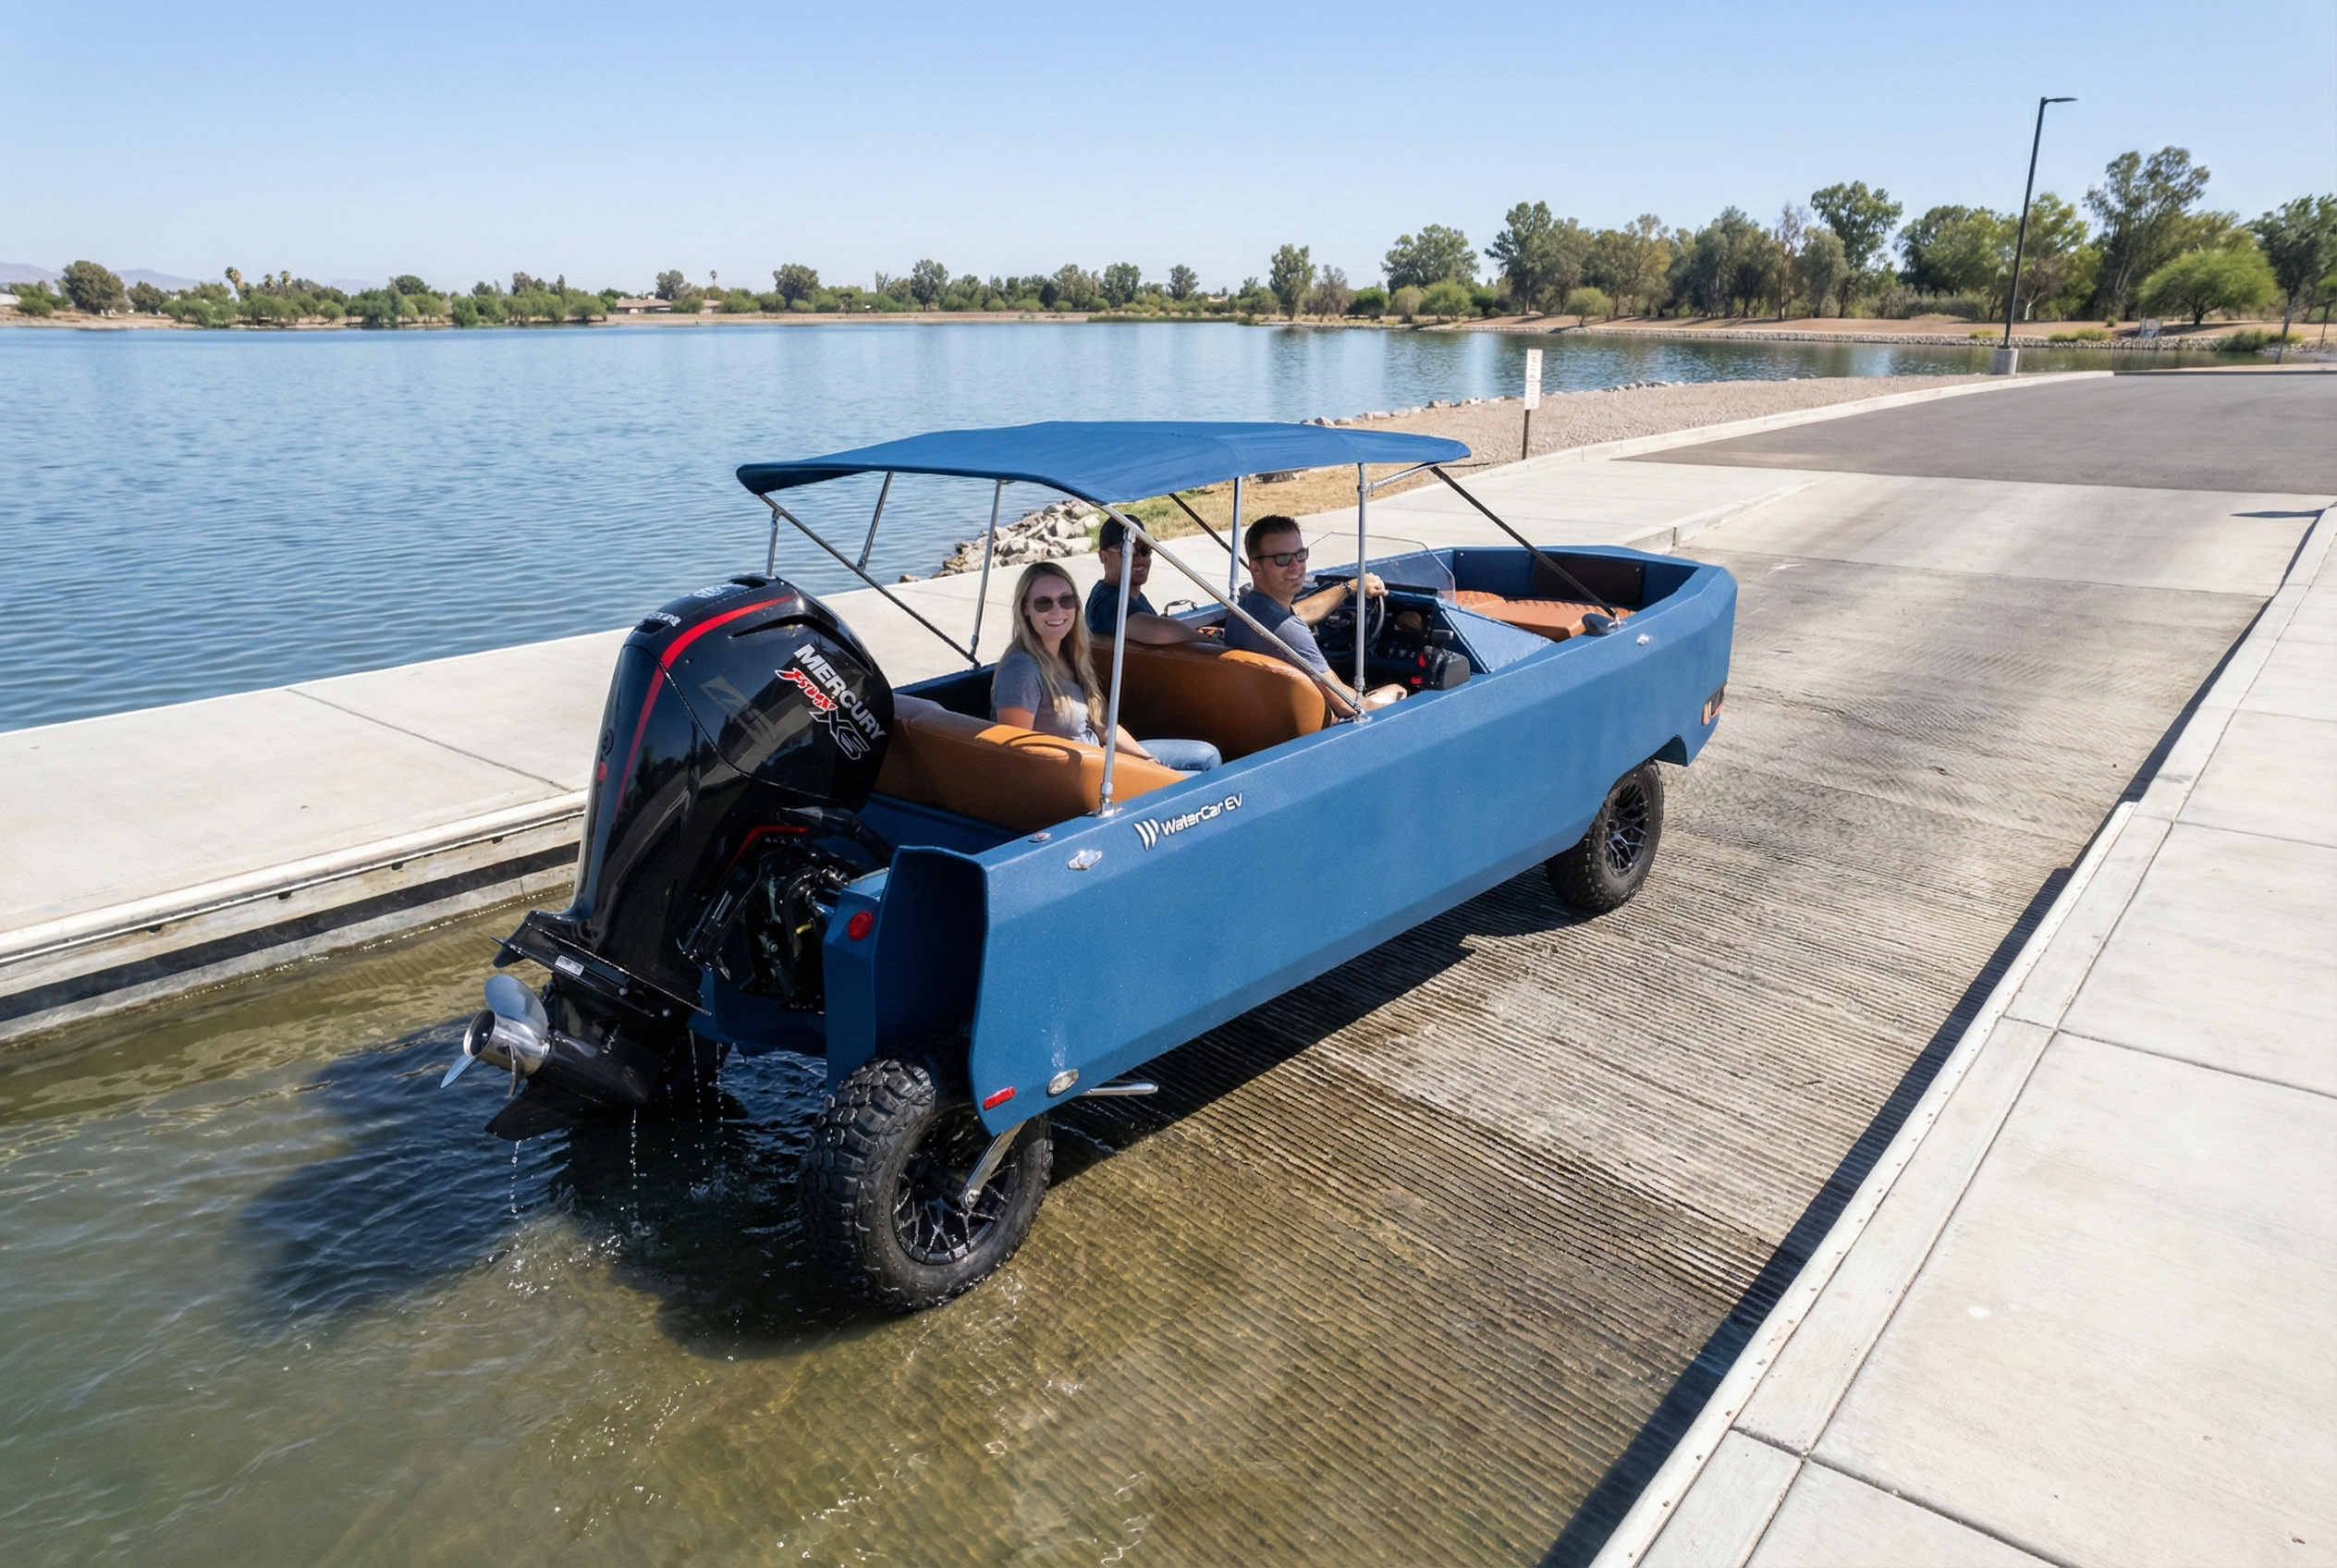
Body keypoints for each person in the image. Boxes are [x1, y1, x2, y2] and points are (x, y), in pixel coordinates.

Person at [994, 561, 1220, 772]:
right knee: (1196, 780)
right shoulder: (1021, 669)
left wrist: (1147, 761)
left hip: (1101, 758)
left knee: (1206, 757)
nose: (1057, 611)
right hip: (1075, 775)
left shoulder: (1071, 654)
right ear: (1025, 608)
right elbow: (1017, 755)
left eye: (1066, 600)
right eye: (1044, 602)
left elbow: (1105, 728)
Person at [1222, 515, 1407, 716]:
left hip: (1267, 715)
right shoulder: (1289, 632)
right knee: (1398, 691)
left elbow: (1299, 613)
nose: (1296, 567)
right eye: (1282, 559)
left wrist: (1351, 587)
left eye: (1300, 555)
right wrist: (1401, 708)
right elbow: (1349, 705)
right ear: (1256, 569)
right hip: (1319, 727)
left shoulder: (1247, 609)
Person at [1085, 516, 1205, 646]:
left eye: (1145, 550)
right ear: (1103, 557)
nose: (1140, 559)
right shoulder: (1108, 602)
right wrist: (1210, 641)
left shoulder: (1130, 595)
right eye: (1129, 552)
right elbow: (1159, 631)